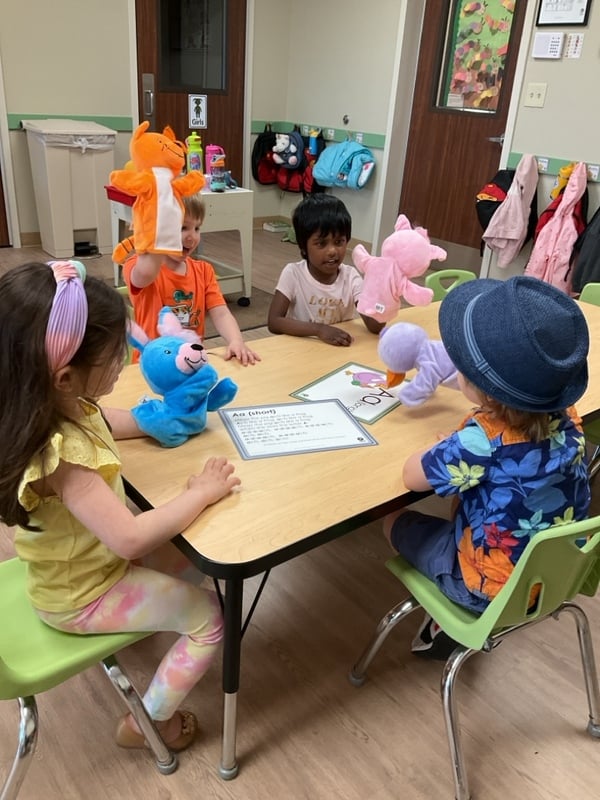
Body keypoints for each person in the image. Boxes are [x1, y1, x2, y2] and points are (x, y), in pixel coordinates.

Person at [0, 260, 241, 751]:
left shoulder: (53, 404)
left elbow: (111, 420)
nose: (125, 364)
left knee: (198, 549)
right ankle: (148, 725)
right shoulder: (61, 456)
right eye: (114, 358)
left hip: (83, 566)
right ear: (66, 377)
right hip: (82, 595)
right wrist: (197, 493)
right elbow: (129, 537)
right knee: (210, 618)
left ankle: (151, 626)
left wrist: (161, 419)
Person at [384, 276, 591, 659]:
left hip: (484, 589)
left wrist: (440, 446)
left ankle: (447, 616)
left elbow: (411, 476)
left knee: (391, 519)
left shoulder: (480, 442)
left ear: (478, 384)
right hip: (555, 579)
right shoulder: (571, 419)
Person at [123, 192, 260, 365]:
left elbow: (221, 314)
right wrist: (150, 236)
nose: (192, 236)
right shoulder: (139, 266)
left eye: (197, 228)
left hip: (191, 363)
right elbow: (143, 275)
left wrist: (236, 341)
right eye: (182, 228)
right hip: (153, 366)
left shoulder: (204, 271)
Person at [267, 194, 385, 345]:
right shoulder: (293, 274)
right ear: (303, 247)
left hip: (340, 350)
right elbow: (274, 322)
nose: (332, 251)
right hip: (302, 350)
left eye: (339, 242)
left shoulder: (350, 277)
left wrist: (383, 295)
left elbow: (375, 326)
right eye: (321, 244)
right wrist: (319, 330)